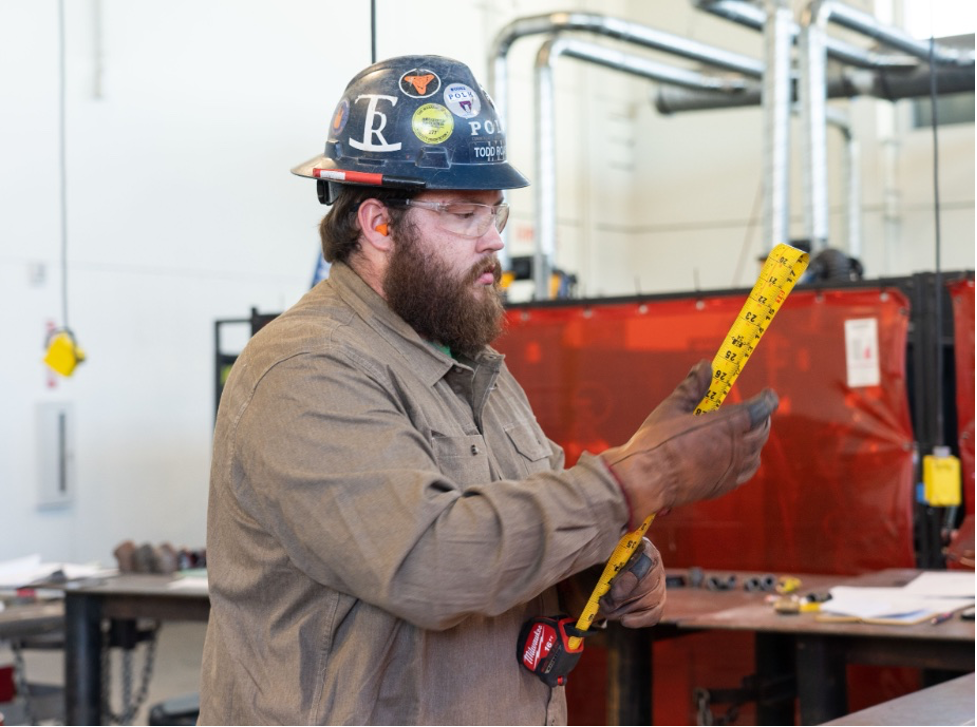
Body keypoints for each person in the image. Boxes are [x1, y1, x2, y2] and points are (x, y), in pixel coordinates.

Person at [198, 55, 777, 726]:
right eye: (465, 213)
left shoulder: (475, 367)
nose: (496, 238)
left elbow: (527, 525)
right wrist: (643, 473)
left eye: (495, 210)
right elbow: (433, 561)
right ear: (379, 225)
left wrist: (606, 562)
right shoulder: (304, 369)